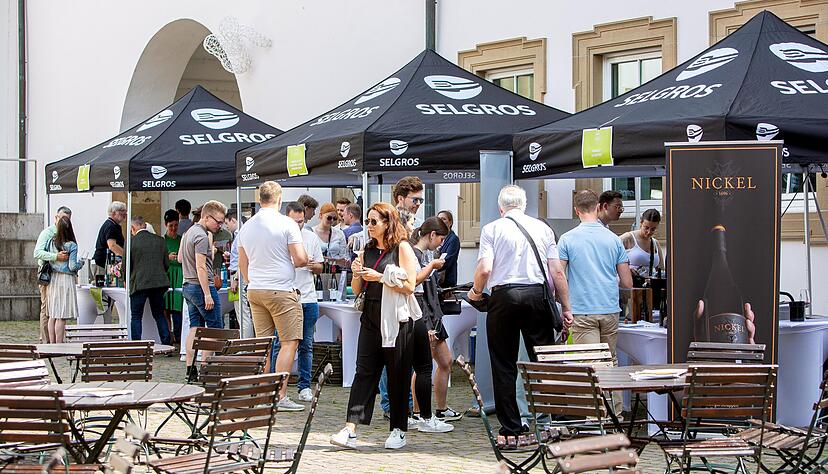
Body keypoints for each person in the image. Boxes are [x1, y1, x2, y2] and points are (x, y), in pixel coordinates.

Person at [467, 185, 572, 437]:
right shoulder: (543, 229)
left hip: (504, 297)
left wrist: (476, 292)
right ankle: (555, 420)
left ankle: (512, 426)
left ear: (500, 207)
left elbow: (484, 270)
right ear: (524, 205)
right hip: (537, 296)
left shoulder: (492, 229)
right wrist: (566, 307)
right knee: (544, 360)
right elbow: (557, 272)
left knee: (503, 363)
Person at [330, 203, 419, 450]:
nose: (368, 227)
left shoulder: (401, 248)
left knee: (397, 374)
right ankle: (350, 428)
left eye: (373, 222)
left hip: (396, 319)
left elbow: (410, 285)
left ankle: (399, 428)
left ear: (387, 223)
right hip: (370, 315)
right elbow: (358, 289)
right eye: (367, 221)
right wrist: (357, 274)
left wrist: (380, 277)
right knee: (364, 372)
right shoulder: (366, 250)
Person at [558, 190, 633, 415]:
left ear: (576, 210)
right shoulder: (613, 239)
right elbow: (627, 282)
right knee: (611, 361)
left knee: (588, 364)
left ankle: (593, 416)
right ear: (598, 206)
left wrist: (564, 307)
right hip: (610, 309)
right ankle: (615, 413)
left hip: (582, 309)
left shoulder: (567, 239)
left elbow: (559, 276)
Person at [237, 181, 308, 412]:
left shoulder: (246, 226)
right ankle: (280, 395)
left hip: (255, 289)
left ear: (260, 199)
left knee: (264, 343)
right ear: (279, 199)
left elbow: (242, 263)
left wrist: (253, 281)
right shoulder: (287, 223)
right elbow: (300, 259)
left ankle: (263, 392)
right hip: (280, 289)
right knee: (289, 342)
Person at [410, 217, 461, 429]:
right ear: (431, 235)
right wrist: (427, 323)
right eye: (440, 238)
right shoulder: (415, 255)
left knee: (445, 361)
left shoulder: (427, 255)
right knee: (423, 366)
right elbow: (415, 288)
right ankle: (418, 412)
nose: (441, 242)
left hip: (433, 313)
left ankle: (440, 408)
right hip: (425, 314)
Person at [270, 202, 324, 402]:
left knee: (306, 344)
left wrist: (312, 265)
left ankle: (304, 386)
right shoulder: (278, 238)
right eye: (295, 221)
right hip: (285, 296)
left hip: (308, 297)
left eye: (301, 221)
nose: (299, 225)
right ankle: (276, 385)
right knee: (280, 344)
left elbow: (320, 266)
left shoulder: (310, 237)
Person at [180, 200, 227, 375]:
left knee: (195, 327)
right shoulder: (201, 236)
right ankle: (207, 369)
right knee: (214, 329)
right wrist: (207, 293)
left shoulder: (188, 233)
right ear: (206, 217)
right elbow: (200, 266)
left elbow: (179, 258)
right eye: (218, 221)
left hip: (188, 285)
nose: (220, 225)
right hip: (200, 286)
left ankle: (190, 370)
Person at [129, 216, 171, 344]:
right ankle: (166, 343)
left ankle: (137, 345)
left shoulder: (131, 242)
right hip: (158, 283)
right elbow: (166, 264)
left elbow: (127, 266)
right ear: (145, 225)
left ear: (133, 228)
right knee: (159, 314)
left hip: (139, 283)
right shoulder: (160, 240)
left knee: (136, 316)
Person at [34, 206, 72, 343]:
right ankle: (46, 340)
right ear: (56, 218)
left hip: (60, 275)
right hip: (48, 274)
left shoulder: (66, 234)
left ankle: (56, 339)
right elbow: (37, 252)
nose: (65, 222)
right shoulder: (47, 233)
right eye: (62, 219)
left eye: (67, 219)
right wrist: (56, 256)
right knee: (47, 308)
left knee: (57, 309)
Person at [46, 217, 84, 343]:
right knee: (61, 315)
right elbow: (72, 266)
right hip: (65, 279)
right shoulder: (71, 245)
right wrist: (81, 263)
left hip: (53, 278)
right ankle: (59, 344)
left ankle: (51, 343)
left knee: (52, 314)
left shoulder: (51, 242)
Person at [620, 208, 665, 278]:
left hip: (649, 286)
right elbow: (610, 256)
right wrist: (626, 269)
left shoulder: (655, 243)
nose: (649, 232)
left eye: (653, 229)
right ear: (641, 223)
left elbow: (661, 270)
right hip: (630, 284)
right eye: (646, 228)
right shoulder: (628, 238)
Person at [229, 215, 254, 338]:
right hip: (242, 274)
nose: (226, 226)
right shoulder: (248, 233)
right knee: (245, 314)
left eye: (227, 222)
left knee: (243, 313)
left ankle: (246, 346)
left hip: (239, 275)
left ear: (233, 220)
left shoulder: (241, 234)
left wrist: (237, 279)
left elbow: (242, 259)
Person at [162, 210, 183, 345]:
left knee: (177, 306)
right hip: (167, 274)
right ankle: (168, 335)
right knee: (165, 307)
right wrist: (167, 257)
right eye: (171, 226)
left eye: (176, 225)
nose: (174, 228)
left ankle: (178, 335)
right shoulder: (162, 241)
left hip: (179, 275)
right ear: (166, 225)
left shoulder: (181, 239)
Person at [92, 201, 126, 278]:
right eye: (121, 211)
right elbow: (112, 245)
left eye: (125, 211)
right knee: (102, 288)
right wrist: (125, 256)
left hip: (105, 263)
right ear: (113, 213)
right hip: (102, 264)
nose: (125, 214)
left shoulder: (114, 225)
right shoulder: (111, 226)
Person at [436, 210, 460, 288]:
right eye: (439, 219)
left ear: (450, 222)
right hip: (437, 280)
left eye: (444, 219)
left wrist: (431, 268)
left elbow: (448, 260)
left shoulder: (453, 239)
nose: (441, 221)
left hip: (447, 281)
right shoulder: (435, 237)